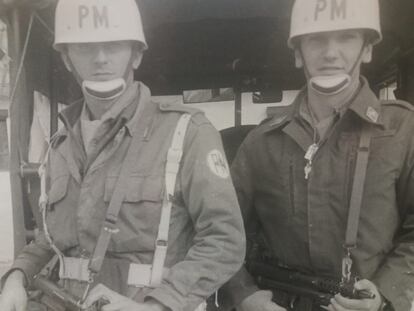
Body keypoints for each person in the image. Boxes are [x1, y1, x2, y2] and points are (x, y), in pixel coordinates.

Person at [0, 0, 245, 310]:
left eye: (113, 45)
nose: (100, 59)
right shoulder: (59, 147)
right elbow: (51, 238)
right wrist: (16, 277)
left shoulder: (188, 131)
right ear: (66, 58)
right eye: (85, 48)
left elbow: (224, 241)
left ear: (136, 54)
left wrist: (156, 305)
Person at [221, 0, 414, 311]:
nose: (330, 53)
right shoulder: (260, 143)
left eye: (347, 37)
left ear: (367, 49)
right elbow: (220, 232)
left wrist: (386, 295)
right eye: (316, 40)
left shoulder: (404, 130)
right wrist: (244, 296)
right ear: (298, 53)